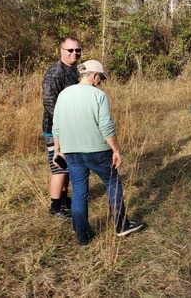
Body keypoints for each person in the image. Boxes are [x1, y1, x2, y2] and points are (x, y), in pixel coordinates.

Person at [52, 60, 143, 245]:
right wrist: (116, 150)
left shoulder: (63, 95)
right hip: (98, 151)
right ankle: (122, 225)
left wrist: (57, 150)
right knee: (112, 183)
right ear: (94, 75)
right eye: (100, 77)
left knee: (79, 192)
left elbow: (57, 126)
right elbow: (106, 127)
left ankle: (83, 236)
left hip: (71, 152)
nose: (100, 81)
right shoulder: (99, 95)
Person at [42, 36, 82, 219]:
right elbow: (49, 102)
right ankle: (55, 206)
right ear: (62, 51)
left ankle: (64, 200)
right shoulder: (55, 72)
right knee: (58, 166)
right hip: (56, 128)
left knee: (67, 165)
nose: (75, 53)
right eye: (70, 50)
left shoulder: (75, 71)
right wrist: (63, 125)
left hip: (72, 126)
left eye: (78, 50)